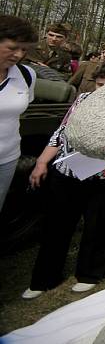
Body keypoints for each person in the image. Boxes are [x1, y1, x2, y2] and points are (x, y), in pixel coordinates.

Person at [22, 61, 105, 299]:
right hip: (67, 171)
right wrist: (42, 162)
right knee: (56, 225)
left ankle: (91, 274)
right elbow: (61, 132)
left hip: (104, 176)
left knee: (98, 226)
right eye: (99, 84)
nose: (101, 90)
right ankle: (44, 278)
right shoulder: (83, 100)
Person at [0, 15, 37, 213]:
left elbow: (19, 110)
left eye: (24, 49)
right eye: (13, 47)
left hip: (7, 158)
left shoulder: (26, 75)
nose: (18, 55)